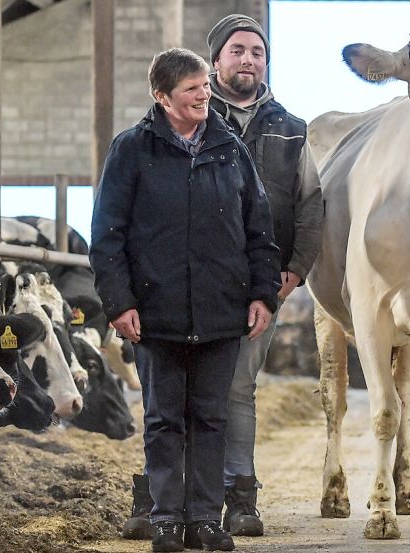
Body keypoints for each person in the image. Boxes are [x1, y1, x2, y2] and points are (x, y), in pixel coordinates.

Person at [120, 14, 324, 541]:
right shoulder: (145, 143)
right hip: (164, 296)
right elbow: (113, 228)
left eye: (258, 51)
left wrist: (286, 275)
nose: (249, 60)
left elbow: (300, 209)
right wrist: (121, 297)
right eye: (238, 50)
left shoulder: (287, 129)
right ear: (215, 63)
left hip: (246, 292)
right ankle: (163, 507)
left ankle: (231, 502)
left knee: (229, 398)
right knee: (167, 405)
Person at [91, 47, 280, 553]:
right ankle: (167, 520)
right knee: (162, 419)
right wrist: (119, 303)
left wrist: (263, 294)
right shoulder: (132, 149)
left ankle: (205, 520)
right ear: (162, 96)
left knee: (211, 418)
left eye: (204, 85)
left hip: (221, 309)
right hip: (156, 313)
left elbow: (259, 228)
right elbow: (108, 235)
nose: (204, 94)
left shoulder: (230, 147)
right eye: (192, 88)